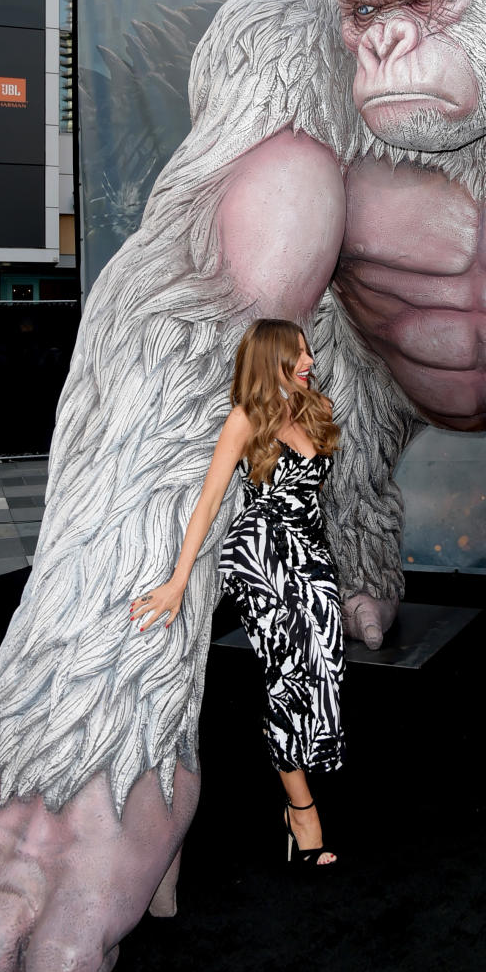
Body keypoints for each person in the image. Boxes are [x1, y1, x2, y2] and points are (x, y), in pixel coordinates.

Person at [130, 318, 344, 865]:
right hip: (261, 556)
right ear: (268, 357)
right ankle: (302, 812)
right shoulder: (244, 419)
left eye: (308, 353)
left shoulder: (310, 408)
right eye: (296, 354)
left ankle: (299, 787)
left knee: (326, 666)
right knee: (287, 676)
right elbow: (208, 503)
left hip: (311, 555)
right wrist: (177, 583)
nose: (308, 362)